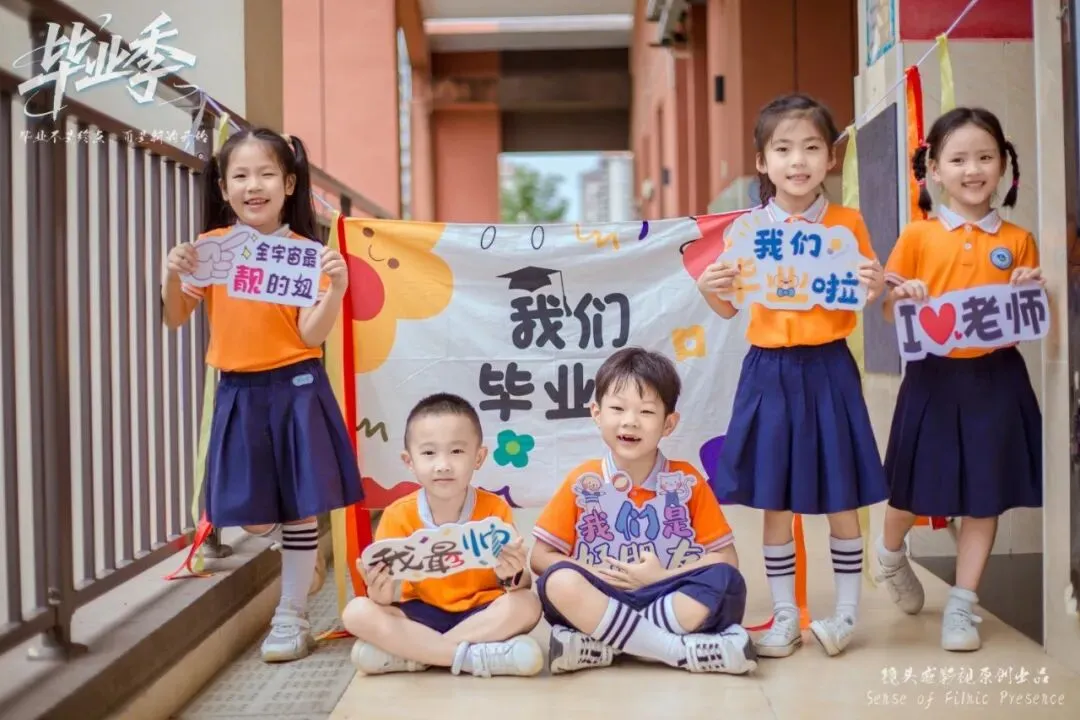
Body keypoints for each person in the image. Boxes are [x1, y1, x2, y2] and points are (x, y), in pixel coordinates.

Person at [695, 93, 887, 658]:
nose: (797, 160)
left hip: (830, 367)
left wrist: (875, 286)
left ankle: (845, 615)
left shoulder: (847, 224)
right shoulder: (748, 229)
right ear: (762, 161)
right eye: (783, 149)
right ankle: (785, 616)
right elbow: (729, 307)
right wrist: (710, 291)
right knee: (774, 500)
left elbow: (861, 292)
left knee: (841, 495)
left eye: (811, 147)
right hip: (769, 370)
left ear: (831, 157)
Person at [161, 128, 363, 663]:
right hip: (237, 389)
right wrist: (171, 274)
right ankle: (297, 552)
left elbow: (310, 335)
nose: (254, 186)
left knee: (298, 511)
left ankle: (290, 617)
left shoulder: (307, 255)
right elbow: (175, 317)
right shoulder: (211, 249)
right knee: (247, 512)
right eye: (241, 176)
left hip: (297, 387)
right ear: (223, 188)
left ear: (289, 183)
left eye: (267, 174)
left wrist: (337, 289)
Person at [877, 107, 1043, 652]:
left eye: (985, 157)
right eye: (959, 159)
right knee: (910, 490)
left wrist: (1032, 287)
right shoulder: (918, 236)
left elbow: (1031, 317)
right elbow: (887, 312)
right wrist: (900, 296)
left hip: (997, 378)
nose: (973, 169)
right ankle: (890, 553)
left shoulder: (1019, 239)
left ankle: (962, 605)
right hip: (933, 378)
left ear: (1003, 165)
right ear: (934, 169)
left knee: (983, 496)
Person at [530, 347, 757, 676]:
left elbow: (726, 558)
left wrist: (660, 577)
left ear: (669, 423)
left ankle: (606, 644)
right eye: (617, 408)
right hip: (602, 597)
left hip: (668, 596)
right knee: (558, 582)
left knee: (725, 582)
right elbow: (540, 557)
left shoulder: (686, 481)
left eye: (646, 412)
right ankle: (675, 651)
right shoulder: (583, 481)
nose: (630, 421)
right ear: (596, 413)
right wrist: (593, 574)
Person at [343, 393, 544, 677]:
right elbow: (383, 599)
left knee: (527, 605)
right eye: (429, 453)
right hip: (421, 613)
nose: (443, 465)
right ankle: (472, 657)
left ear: (479, 457)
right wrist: (379, 591)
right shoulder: (397, 515)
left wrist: (513, 573)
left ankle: (419, 656)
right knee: (357, 612)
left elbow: (519, 584)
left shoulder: (494, 509)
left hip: (481, 611)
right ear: (409, 461)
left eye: (456, 451)